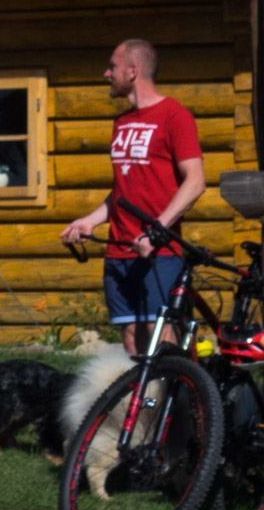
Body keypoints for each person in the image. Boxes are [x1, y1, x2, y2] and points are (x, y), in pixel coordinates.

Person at [59, 39, 205, 355]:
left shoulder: (174, 115)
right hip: (119, 251)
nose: (106, 73)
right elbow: (123, 191)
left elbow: (195, 182)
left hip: (159, 251)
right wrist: (89, 220)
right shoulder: (121, 122)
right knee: (131, 338)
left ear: (133, 70)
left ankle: (179, 404)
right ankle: (144, 406)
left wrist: (157, 231)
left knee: (159, 335)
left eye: (112, 66)